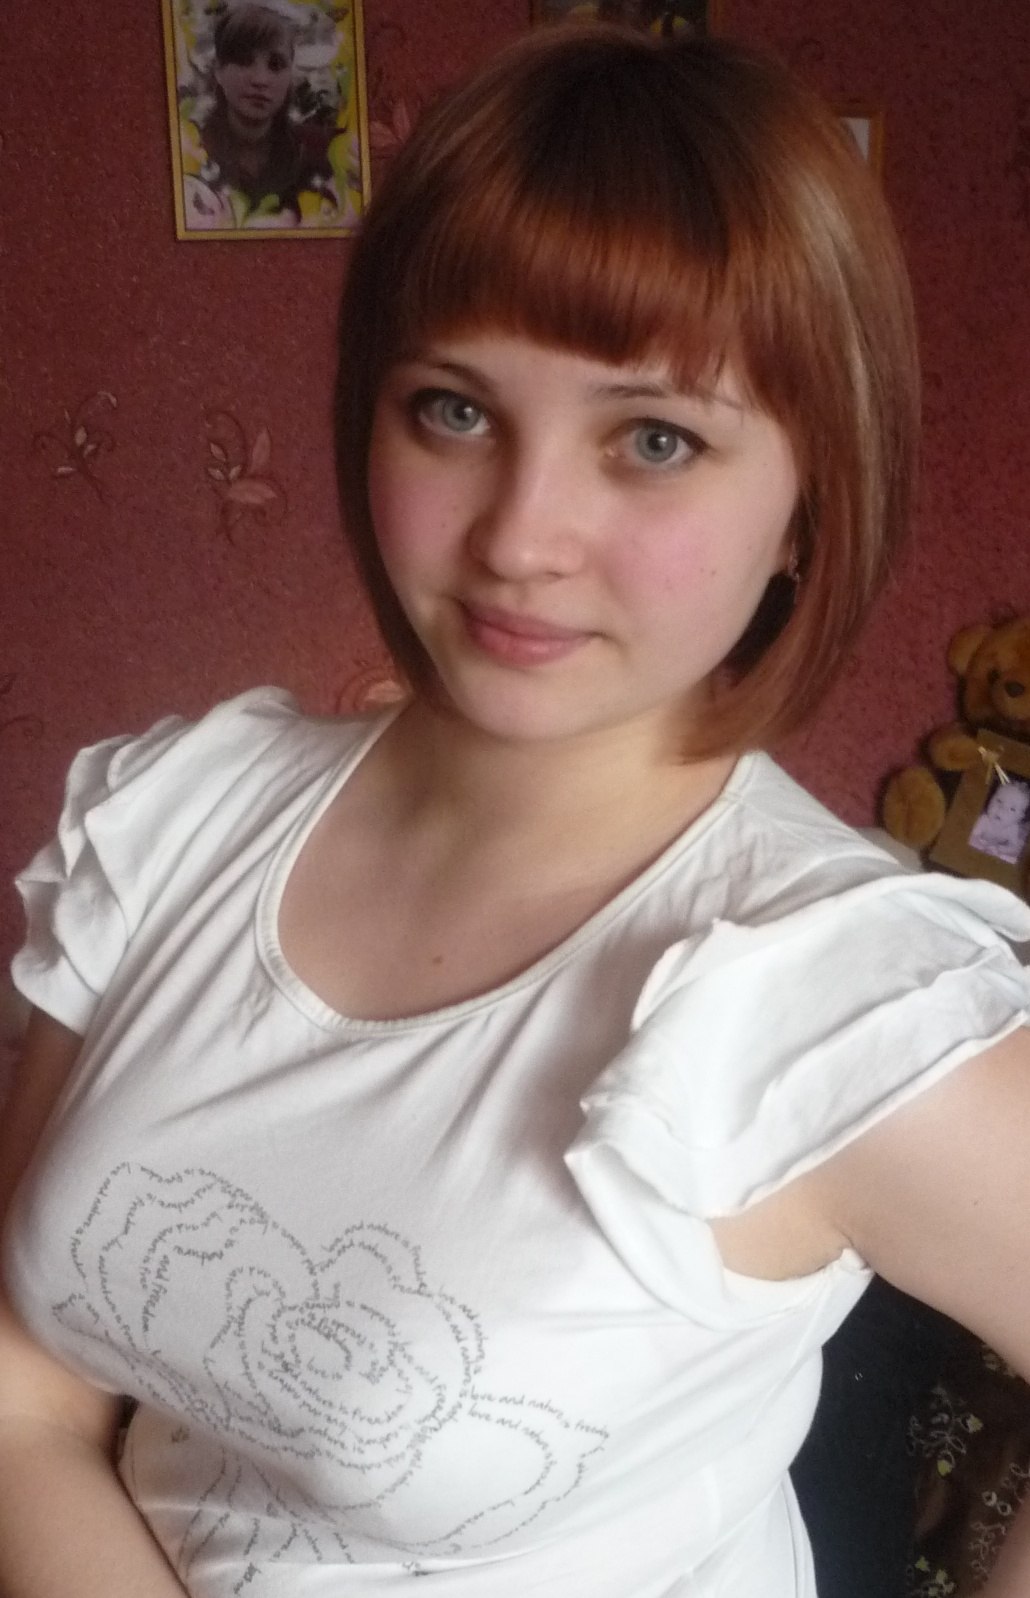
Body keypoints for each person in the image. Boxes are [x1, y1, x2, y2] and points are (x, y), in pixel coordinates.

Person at [2, 23, 1030, 1598]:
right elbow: (26, 1389)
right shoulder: (176, 821)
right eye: (454, 411)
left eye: (655, 439)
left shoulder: (824, 995)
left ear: (808, 504)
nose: (519, 536)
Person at [189, 2, 334, 225]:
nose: (260, 80)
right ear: (218, 70)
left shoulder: (319, 153)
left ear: (290, 74)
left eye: (275, 65)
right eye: (244, 61)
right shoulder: (192, 149)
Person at [970, 777, 1030, 865]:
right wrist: (982, 847)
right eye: (999, 801)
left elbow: (1014, 848)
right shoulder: (984, 820)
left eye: (1012, 809)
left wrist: (999, 849)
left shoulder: (1013, 828)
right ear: (991, 799)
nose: (1002, 809)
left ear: (1019, 818)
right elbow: (971, 837)